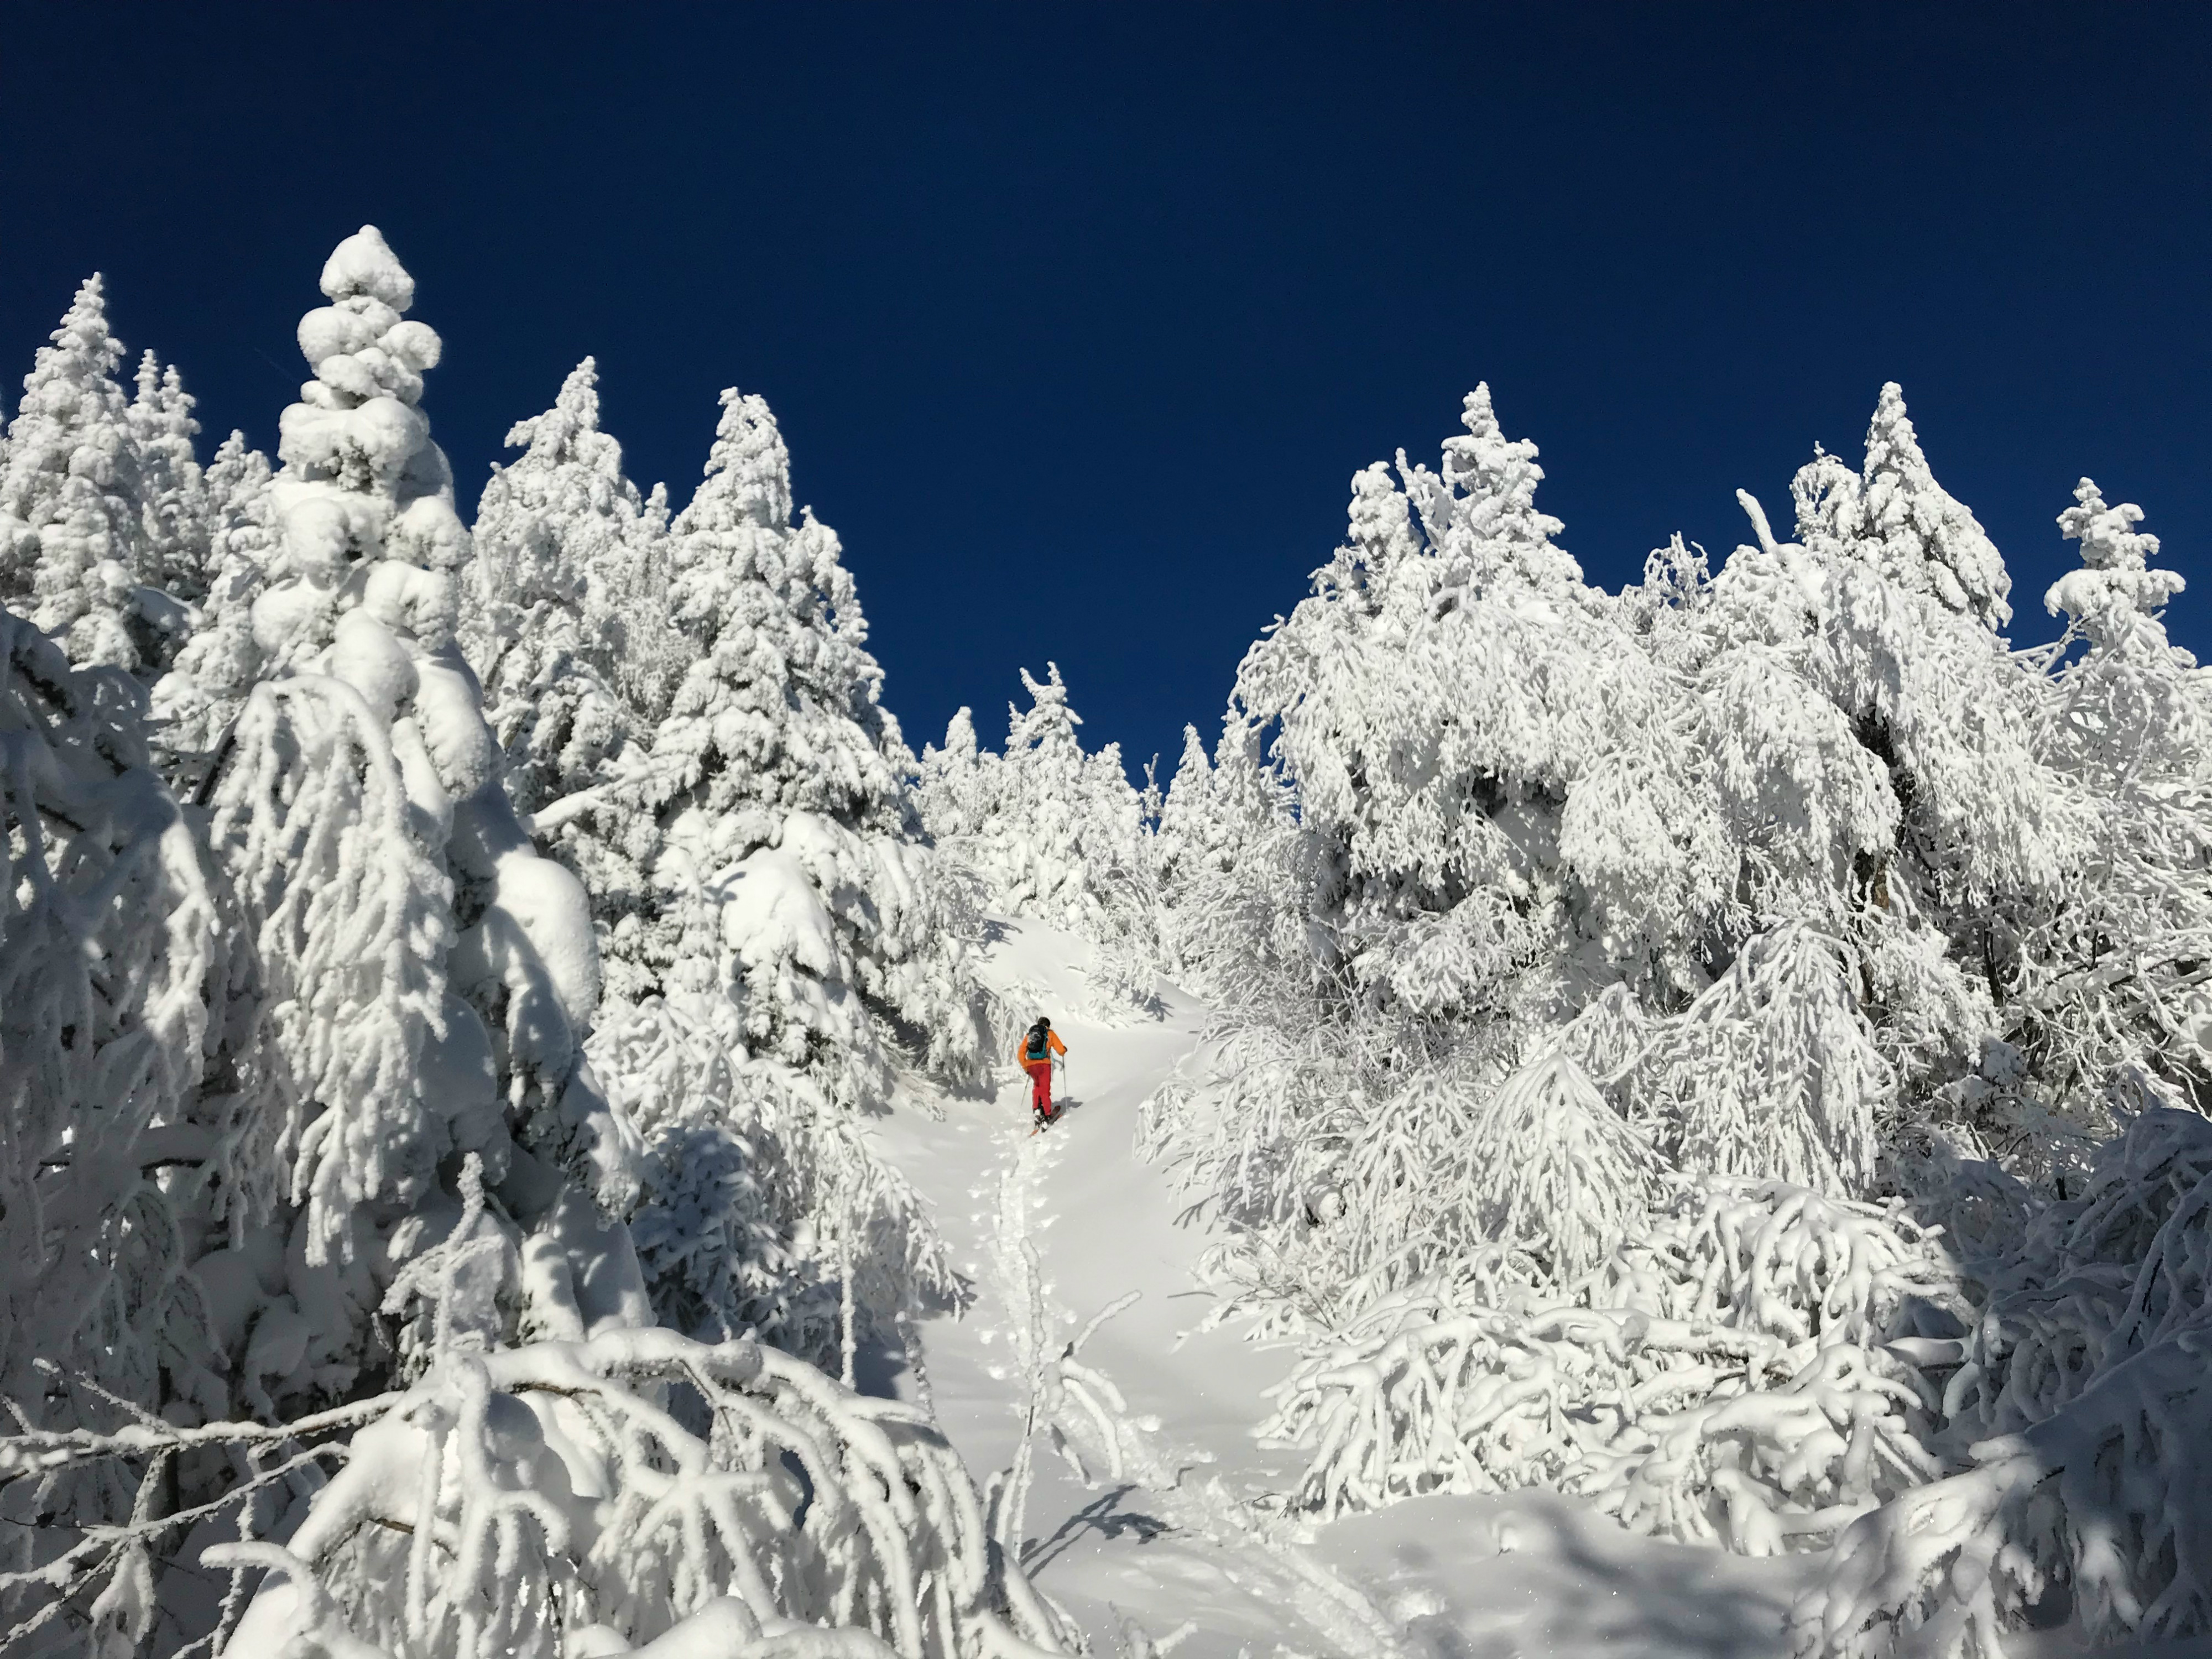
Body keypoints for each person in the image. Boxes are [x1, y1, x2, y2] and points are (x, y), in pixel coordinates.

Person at [1017, 1016, 1066, 1126]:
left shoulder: (1030, 1035)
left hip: (1031, 1065)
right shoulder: (1049, 1034)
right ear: (1048, 1026)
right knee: (1045, 1090)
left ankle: (1037, 1109)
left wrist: (1026, 1066)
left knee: (1037, 1087)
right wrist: (1064, 1051)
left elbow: (1020, 1054)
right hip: (1044, 1065)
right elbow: (1061, 1050)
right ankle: (1047, 1114)